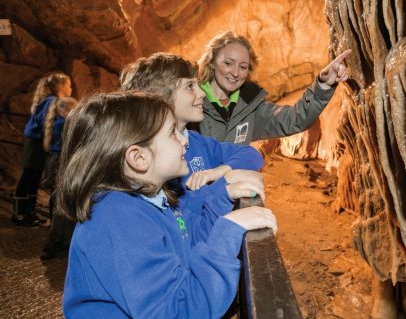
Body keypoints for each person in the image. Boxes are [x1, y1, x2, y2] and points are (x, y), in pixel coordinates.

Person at [55, 92, 277, 318]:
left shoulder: (153, 198)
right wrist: (228, 231)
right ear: (139, 158)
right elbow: (178, 311)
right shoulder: (119, 219)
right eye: (173, 133)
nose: (184, 140)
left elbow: (188, 240)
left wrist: (222, 197)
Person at [119, 53, 264, 207]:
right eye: (189, 87)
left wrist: (219, 171)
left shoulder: (196, 141)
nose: (202, 93)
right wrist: (224, 184)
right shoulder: (156, 156)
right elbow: (183, 212)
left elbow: (252, 155)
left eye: (198, 85)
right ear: (158, 98)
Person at [196, 31, 350, 144]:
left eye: (243, 67)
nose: (235, 73)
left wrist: (323, 86)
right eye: (228, 63)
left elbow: (294, 119)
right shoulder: (190, 101)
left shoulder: (250, 109)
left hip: (234, 187)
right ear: (212, 62)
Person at [12, 72, 72, 226]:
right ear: (61, 86)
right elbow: (44, 123)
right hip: (35, 143)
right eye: (69, 85)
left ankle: (29, 212)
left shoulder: (51, 100)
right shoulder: (51, 101)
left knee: (34, 178)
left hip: (39, 143)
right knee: (28, 177)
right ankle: (19, 214)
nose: (70, 89)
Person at [39, 96, 78, 260]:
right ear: (66, 111)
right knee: (62, 207)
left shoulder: (56, 122)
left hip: (58, 163)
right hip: (63, 164)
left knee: (61, 204)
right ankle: (53, 242)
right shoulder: (64, 125)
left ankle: (63, 240)